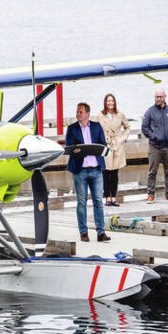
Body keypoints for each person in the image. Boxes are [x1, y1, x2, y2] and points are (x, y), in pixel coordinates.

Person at [65, 102, 110, 242]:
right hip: (80, 170)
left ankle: (101, 232)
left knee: (98, 201)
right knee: (82, 202)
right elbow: (69, 147)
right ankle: (83, 232)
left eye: (80, 112)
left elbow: (103, 145)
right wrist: (81, 150)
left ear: (87, 114)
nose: (78, 114)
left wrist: (94, 149)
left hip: (96, 169)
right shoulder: (72, 128)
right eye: (77, 112)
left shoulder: (96, 127)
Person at [141, 87, 168, 203]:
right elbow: (144, 127)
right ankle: (150, 195)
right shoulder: (150, 111)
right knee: (152, 171)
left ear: (165, 97)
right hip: (155, 147)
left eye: (160, 97)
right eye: (156, 97)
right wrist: (154, 137)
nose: (158, 99)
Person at [93, 93, 130, 207]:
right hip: (106, 145)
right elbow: (93, 128)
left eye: (112, 101)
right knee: (105, 173)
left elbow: (127, 127)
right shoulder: (99, 115)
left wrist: (123, 138)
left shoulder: (120, 114)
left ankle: (114, 197)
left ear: (115, 102)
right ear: (105, 102)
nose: (110, 103)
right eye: (108, 101)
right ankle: (107, 198)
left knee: (114, 173)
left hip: (117, 145)